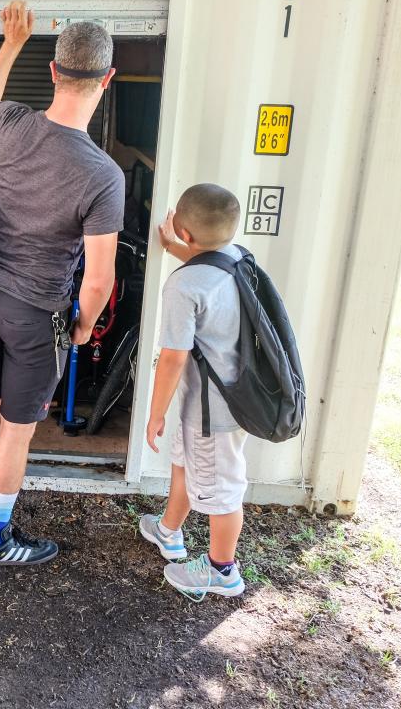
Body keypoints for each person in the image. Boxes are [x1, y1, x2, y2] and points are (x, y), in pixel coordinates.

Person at [0, 0, 125, 566]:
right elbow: (98, 280)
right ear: (107, 79)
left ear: (54, 71)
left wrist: (12, 43)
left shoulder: (15, 123)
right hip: (35, 312)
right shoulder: (103, 175)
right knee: (18, 430)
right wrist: (81, 328)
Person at [137, 184, 248, 600]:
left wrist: (154, 413)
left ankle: (222, 571)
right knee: (183, 463)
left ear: (182, 229)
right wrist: (172, 247)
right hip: (218, 396)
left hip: (212, 409)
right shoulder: (237, 261)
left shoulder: (183, 288)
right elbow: (207, 271)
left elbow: (173, 358)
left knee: (222, 490)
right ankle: (169, 532)